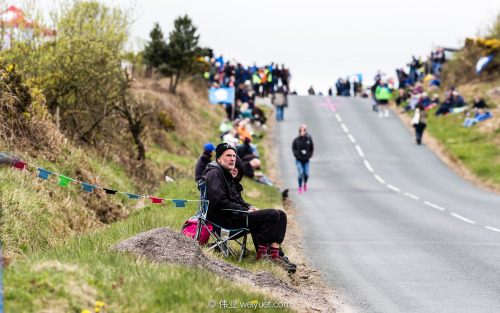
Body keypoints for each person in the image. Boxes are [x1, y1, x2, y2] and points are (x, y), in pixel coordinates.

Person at [202, 143, 296, 272]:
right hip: (225, 221)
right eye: (228, 155)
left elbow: (237, 199)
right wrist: (244, 210)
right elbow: (220, 202)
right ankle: (263, 256)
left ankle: (275, 255)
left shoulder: (225, 174)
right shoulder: (215, 174)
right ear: (219, 159)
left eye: (234, 156)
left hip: (234, 216)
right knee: (272, 215)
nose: (232, 159)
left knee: (281, 214)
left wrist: (249, 207)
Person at [292, 126, 314, 194]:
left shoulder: (308, 139)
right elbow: (293, 148)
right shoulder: (296, 140)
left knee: (306, 174)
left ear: (305, 131)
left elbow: (311, 148)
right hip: (299, 159)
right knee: (300, 173)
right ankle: (299, 187)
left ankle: (305, 183)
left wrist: (309, 155)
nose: (302, 132)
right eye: (301, 131)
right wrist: (296, 155)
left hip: (306, 160)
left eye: (303, 131)